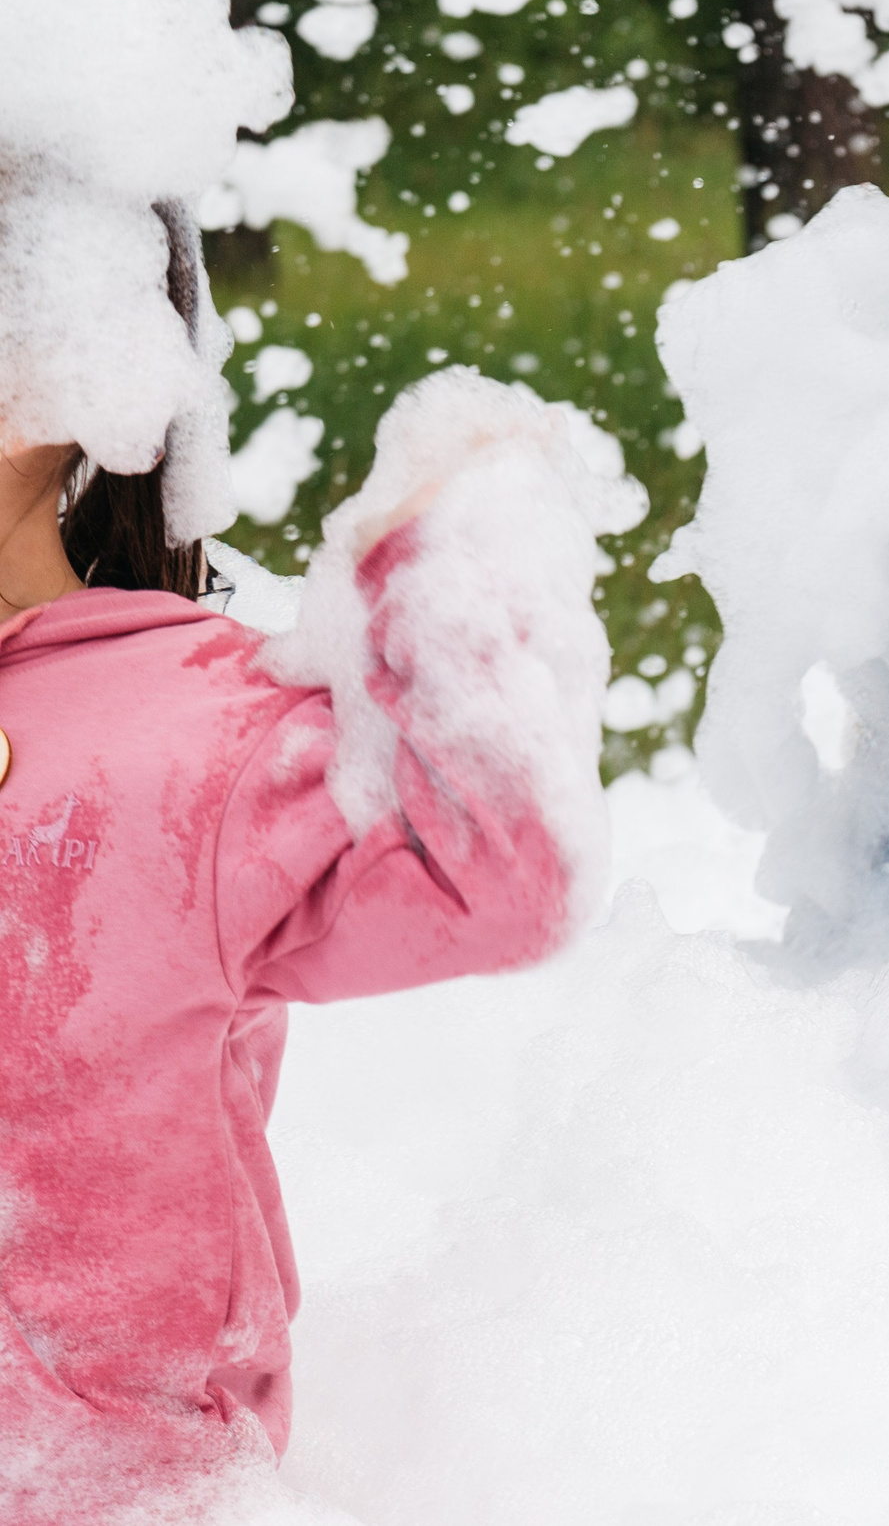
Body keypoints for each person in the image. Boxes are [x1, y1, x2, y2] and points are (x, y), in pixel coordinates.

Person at [0, 205, 624, 1516]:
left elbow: (501, 871)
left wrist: (448, 561)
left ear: (61, 367)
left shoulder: (191, 736)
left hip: (117, 1490)